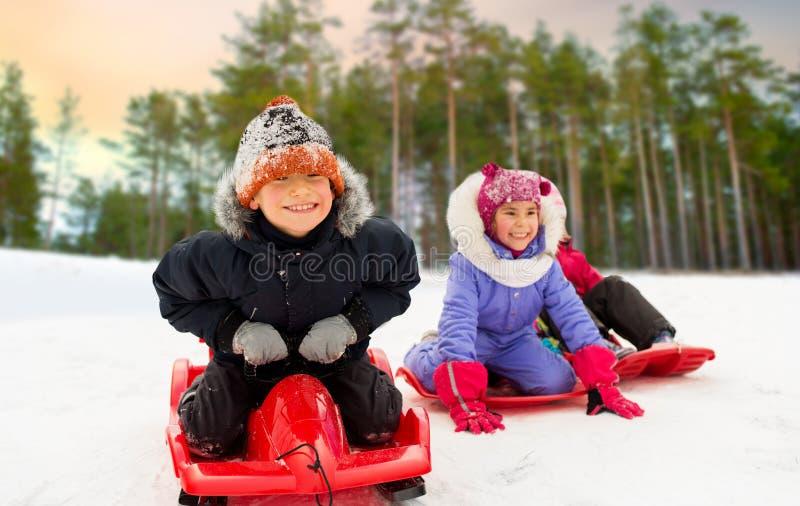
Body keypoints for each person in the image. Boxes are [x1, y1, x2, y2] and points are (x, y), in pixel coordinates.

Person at [153, 96, 420, 457]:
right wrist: (235, 332)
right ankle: (200, 393)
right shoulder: (215, 254)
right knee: (208, 438)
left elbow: (397, 283)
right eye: (280, 178)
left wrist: (351, 324)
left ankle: (368, 386)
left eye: (314, 175)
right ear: (252, 197)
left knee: (379, 426)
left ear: (334, 187)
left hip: (334, 361)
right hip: (246, 368)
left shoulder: (370, 242)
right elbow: (174, 296)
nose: (300, 189)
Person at [403, 162, 643, 435]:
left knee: (558, 381)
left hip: (517, 339)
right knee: (437, 379)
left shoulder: (544, 263)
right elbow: (460, 317)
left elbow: (570, 311)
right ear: (489, 220)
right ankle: (425, 348)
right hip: (475, 337)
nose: (522, 223)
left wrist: (601, 382)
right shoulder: (469, 262)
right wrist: (464, 395)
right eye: (510, 212)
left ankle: (497, 370)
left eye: (530, 213)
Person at [535, 180, 676, 356]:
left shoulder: (572, 257)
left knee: (614, 286)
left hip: (588, 320)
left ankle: (658, 336)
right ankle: (597, 345)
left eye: (555, 220)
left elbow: (603, 293)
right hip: (553, 330)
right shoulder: (523, 261)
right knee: (553, 298)